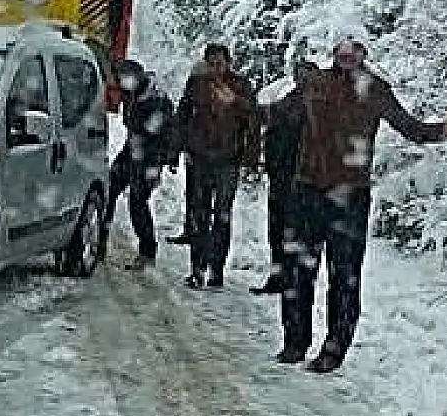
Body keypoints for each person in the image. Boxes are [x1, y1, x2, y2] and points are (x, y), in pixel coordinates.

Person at [280, 34, 447, 372]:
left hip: (350, 194)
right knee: (298, 270)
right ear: (334, 53)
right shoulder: (315, 84)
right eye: (341, 50)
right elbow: (278, 116)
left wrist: (446, 129)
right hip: (308, 190)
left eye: (354, 51)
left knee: (344, 275)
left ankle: (334, 351)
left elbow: (411, 129)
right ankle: (295, 342)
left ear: (364, 55)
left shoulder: (376, 90)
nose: (347, 56)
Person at [173, 43, 260, 290]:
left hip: (227, 159)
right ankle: (197, 268)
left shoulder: (240, 86)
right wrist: (177, 150)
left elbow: (252, 120)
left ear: (228, 62)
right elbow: (182, 117)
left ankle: (216, 270)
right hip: (199, 158)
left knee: (222, 217)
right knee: (198, 214)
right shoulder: (197, 84)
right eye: (211, 62)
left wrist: (251, 159)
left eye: (220, 62)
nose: (216, 67)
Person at [102, 58, 177, 270]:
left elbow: (165, 136)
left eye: (127, 80)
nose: (123, 84)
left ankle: (147, 251)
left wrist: (156, 167)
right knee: (110, 188)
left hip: (151, 155)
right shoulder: (131, 94)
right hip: (133, 148)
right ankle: (100, 238)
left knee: (137, 202)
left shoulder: (157, 101)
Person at [252, 79, 305, 295]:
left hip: (299, 183)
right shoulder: (288, 103)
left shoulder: (320, 111)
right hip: (283, 179)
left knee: (288, 234)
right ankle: (281, 278)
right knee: (279, 233)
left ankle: (288, 279)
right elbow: (264, 118)